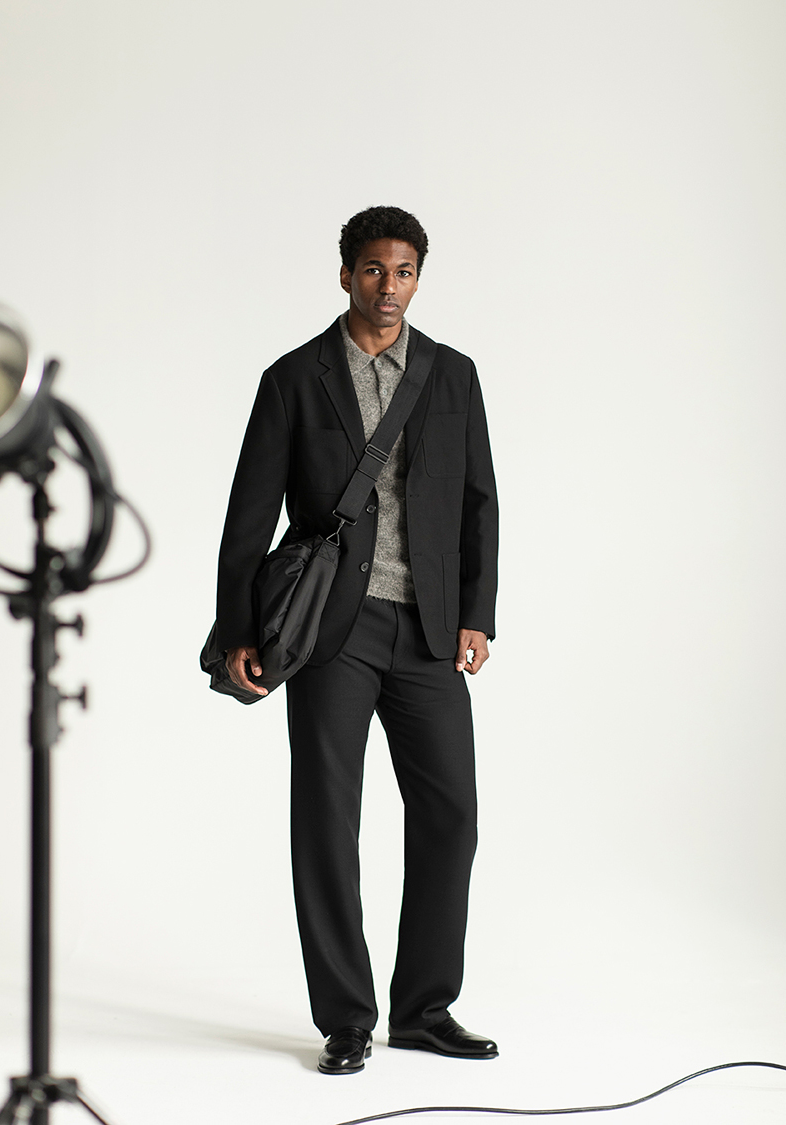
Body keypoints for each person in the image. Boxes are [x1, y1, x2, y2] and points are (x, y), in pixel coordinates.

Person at [214, 206, 499, 1074]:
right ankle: (346, 1017)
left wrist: (477, 612)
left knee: (451, 812)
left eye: (403, 271)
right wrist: (238, 629)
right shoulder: (293, 378)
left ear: (419, 278)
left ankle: (424, 1009)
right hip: (331, 631)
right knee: (327, 822)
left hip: (427, 629)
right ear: (346, 275)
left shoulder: (452, 375)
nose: (388, 286)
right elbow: (249, 514)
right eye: (373, 269)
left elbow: (480, 501)